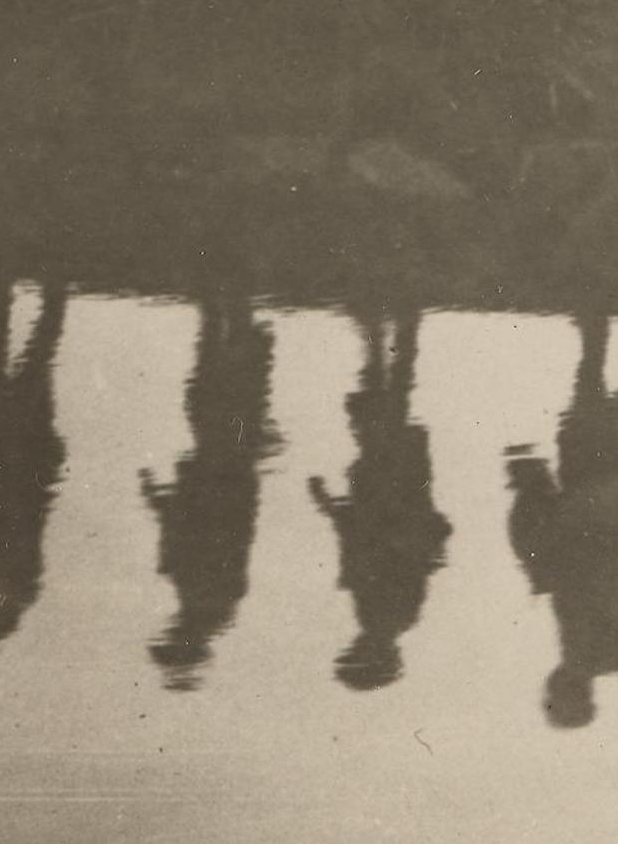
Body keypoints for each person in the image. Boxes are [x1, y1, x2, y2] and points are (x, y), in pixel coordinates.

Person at [507, 315, 618, 729]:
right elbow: (579, 572)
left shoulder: (615, 653)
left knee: (592, 416)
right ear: (568, 692)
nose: (548, 689)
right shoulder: (582, 648)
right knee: (587, 415)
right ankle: (608, 332)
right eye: (554, 697)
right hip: (591, 507)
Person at [307, 307, 451, 690]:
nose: (354, 646)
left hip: (393, 495)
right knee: (387, 414)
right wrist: (331, 506)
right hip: (392, 495)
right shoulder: (384, 616)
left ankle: (391, 335)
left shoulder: (389, 617)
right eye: (357, 654)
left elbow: (361, 547)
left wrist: (334, 508)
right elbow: (367, 547)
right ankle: (389, 334)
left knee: (388, 413)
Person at [139, 294, 278, 688]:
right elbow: (200, 534)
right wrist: (160, 501)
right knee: (219, 400)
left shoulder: (208, 599)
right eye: (172, 641)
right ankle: (229, 313)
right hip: (222, 477)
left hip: (218, 477)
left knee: (212, 399)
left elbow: (183, 536)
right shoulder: (212, 597)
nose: (168, 632)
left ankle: (224, 315)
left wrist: (160, 501)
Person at [0, 275, 69, 649]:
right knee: (26, 373)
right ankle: (44, 297)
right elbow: (10, 517)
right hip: (19, 464)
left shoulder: (4, 580)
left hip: (8, 465)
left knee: (2, 376)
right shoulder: (14, 580)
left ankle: (14, 301)